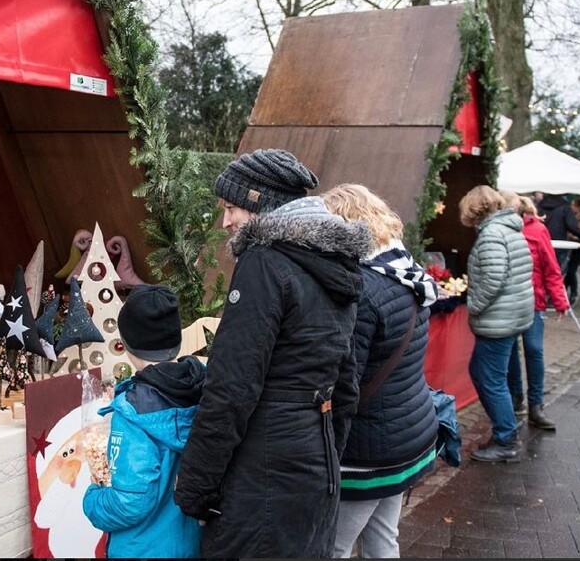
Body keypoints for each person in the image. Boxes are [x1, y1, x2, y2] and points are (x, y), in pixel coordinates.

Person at [174, 149, 370, 557]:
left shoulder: (264, 261)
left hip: (263, 465)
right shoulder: (337, 262)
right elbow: (346, 380)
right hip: (315, 459)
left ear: (260, 202)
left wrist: (195, 485)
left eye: (231, 207)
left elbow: (231, 388)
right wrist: (328, 451)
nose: (225, 221)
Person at [322, 184, 440, 559]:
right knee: (382, 542)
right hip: (408, 434)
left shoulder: (361, 290)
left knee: (331, 548)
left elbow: (344, 384)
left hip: (368, 450)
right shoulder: (406, 272)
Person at [82, 284, 206, 557]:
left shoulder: (134, 411)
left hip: (142, 548)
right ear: (176, 339)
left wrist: (92, 499)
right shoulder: (204, 387)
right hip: (190, 543)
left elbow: (129, 502)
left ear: (126, 344)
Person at [459, 185, 534, 463]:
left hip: (497, 319)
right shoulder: (510, 229)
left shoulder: (491, 234)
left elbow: (492, 279)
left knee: (488, 377)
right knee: (494, 375)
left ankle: (506, 438)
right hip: (512, 315)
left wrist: (474, 305)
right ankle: (507, 426)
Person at [504, 193, 568, 431]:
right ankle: (516, 397)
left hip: (534, 303)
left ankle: (536, 406)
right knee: (510, 351)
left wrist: (560, 301)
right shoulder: (504, 230)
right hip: (510, 303)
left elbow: (551, 268)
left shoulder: (538, 230)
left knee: (534, 350)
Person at [535, 192, 580, 273]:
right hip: (560, 244)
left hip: (542, 243)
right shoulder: (565, 207)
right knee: (557, 273)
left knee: (541, 272)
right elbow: (572, 226)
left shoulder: (538, 207)